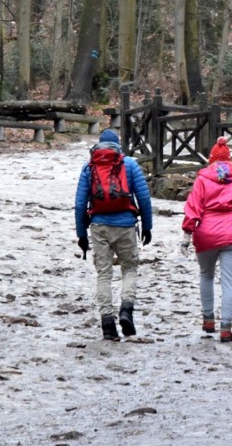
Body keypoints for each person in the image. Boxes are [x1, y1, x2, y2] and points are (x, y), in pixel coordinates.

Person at [75, 129, 153, 341]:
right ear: (118, 146)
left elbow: (80, 203)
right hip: (126, 225)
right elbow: (144, 198)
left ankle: (107, 323)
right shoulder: (130, 164)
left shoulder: (89, 167)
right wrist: (147, 226)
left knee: (104, 274)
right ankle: (126, 309)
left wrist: (81, 234)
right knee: (129, 269)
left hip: (99, 225)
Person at [182, 137, 232, 343]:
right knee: (229, 282)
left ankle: (208, 319)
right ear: (230, 160)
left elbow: (193, 207)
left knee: (206, 275)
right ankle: (226, 328)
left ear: (211, 160)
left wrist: (186, 234)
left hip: (206, 233)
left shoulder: (202, 179)